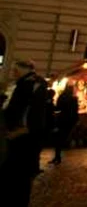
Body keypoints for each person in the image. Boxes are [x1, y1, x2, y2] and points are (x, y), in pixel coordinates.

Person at [0, 59, 48, 207]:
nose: (13, 73)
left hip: (23, 140)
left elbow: (34, 116)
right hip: (21, 138)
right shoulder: (27, 83)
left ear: (23, 70)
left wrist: (20, 131)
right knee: (16, 178)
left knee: (18, 179)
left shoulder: (31, 85)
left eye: (15, 70)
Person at [51, 85, 79, 164]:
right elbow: (76, 110)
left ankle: (57, 156)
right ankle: (58, 156)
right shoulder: (74, 99)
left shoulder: (62, 97)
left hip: (62, 120)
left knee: (58, 138)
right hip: (70, 120)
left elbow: (58, 108)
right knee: (64, 137)